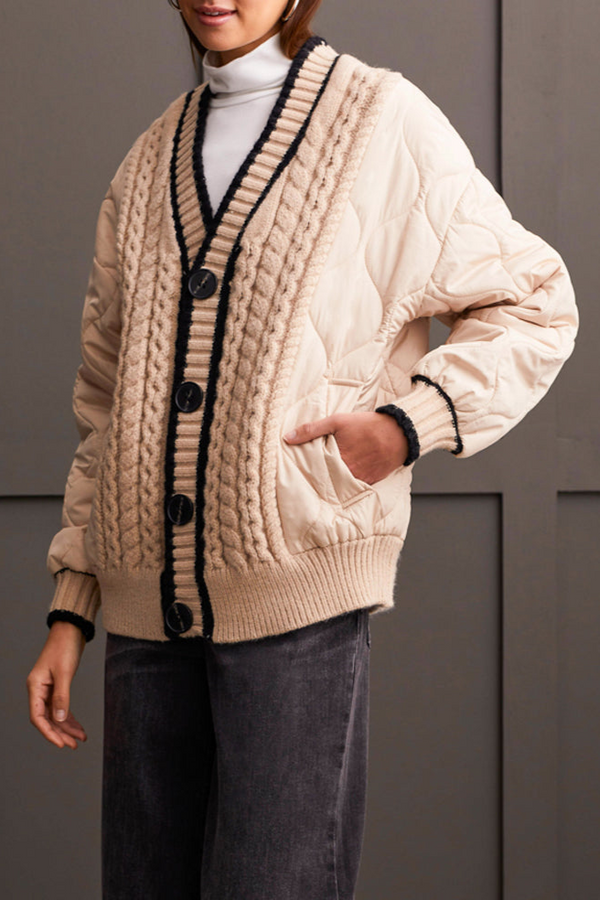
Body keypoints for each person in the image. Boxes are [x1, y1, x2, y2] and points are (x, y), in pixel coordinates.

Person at [26, 0, 578, 897]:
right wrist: (72, 606)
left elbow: (536, 303)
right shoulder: (146, 162)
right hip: (141, 626)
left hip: (296, 614)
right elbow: (106, 403)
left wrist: (410, 424)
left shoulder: (383, 122)